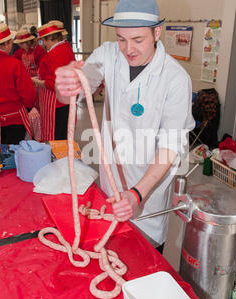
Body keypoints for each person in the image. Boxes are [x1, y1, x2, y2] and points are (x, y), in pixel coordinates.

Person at [55, 0, 195, 254]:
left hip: (146, 199)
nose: (128, 49)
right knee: (107, 260)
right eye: (121, 39)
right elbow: (72, 93)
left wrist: (137, 194)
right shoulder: (108, 55)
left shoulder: (175, 79)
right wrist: (64, 83)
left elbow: (170, 147)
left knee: (143, 264)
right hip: (109, 191)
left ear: (156, 32)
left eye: (138, 40)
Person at [0, 23, 36, 151]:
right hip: (14, 120)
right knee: (14, 158)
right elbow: (29, 95)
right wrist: (27, 108)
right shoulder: (15, 64)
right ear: (7, 43)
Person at [33, 20, 75, 142]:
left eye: (43, 41)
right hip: (67, 101)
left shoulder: (54, 54)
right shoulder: (66, 47)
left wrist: (36, 82)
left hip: (55, 103)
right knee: (64, 135)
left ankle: (57, 160)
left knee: (55, 137)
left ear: (50, 39)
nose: (43, 44)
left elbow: (53, 84)